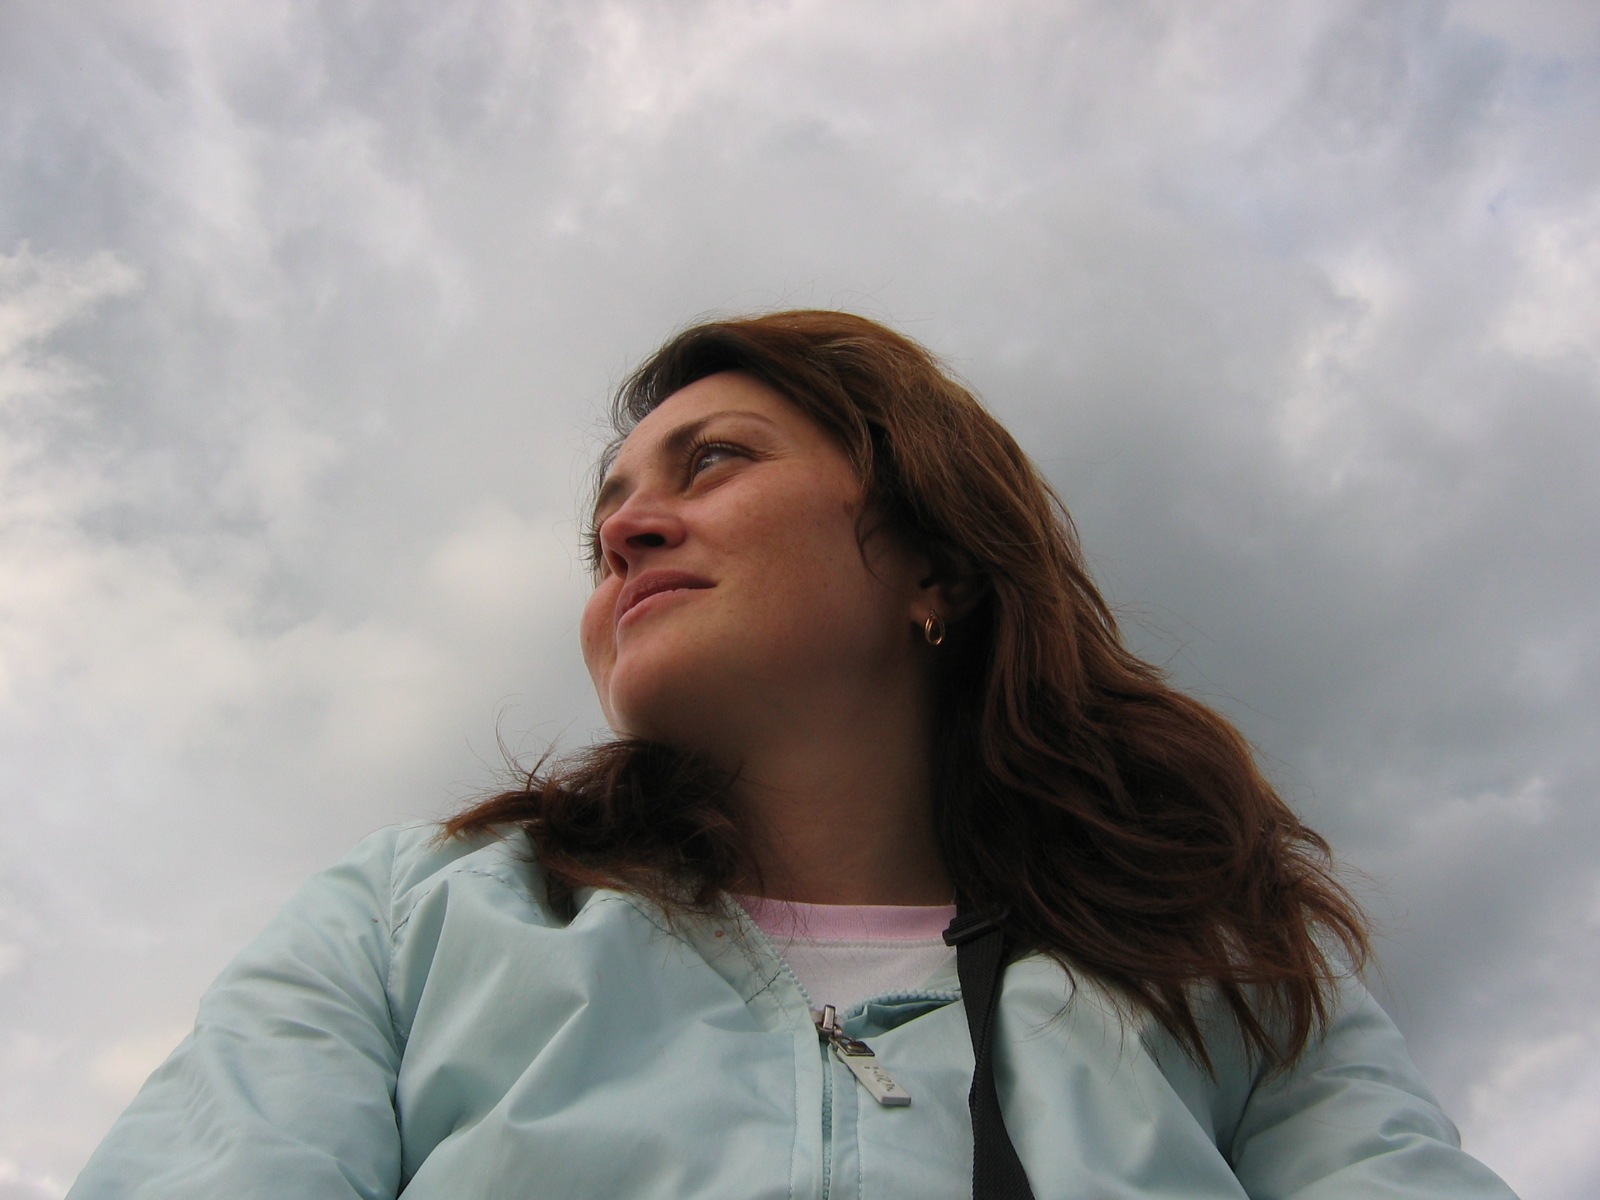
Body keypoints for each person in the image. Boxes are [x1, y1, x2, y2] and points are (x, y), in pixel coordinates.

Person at [70, 311, 1518, 1199]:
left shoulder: (1223, 975)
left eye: (713, 462)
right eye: (606, 518)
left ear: (934, 560)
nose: (626, 531)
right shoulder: (406, 924)